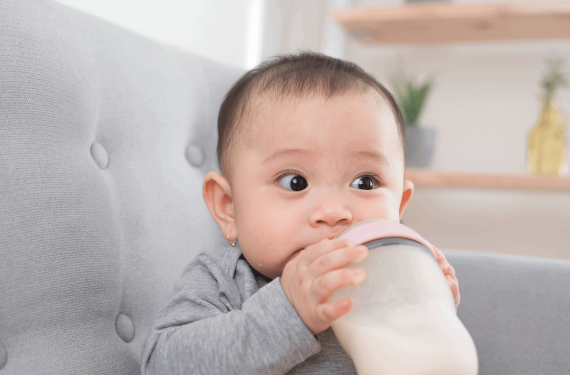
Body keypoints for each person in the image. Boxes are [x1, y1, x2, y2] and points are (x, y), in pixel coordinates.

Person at [141, 52, 460, 375]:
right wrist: (286, 313)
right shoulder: (222, 281)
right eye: (295, 182)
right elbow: (162, 366)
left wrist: (429, 310)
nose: (334, 213)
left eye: (365, 182)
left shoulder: (388, 283)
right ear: (229, 208)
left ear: (399, 206)